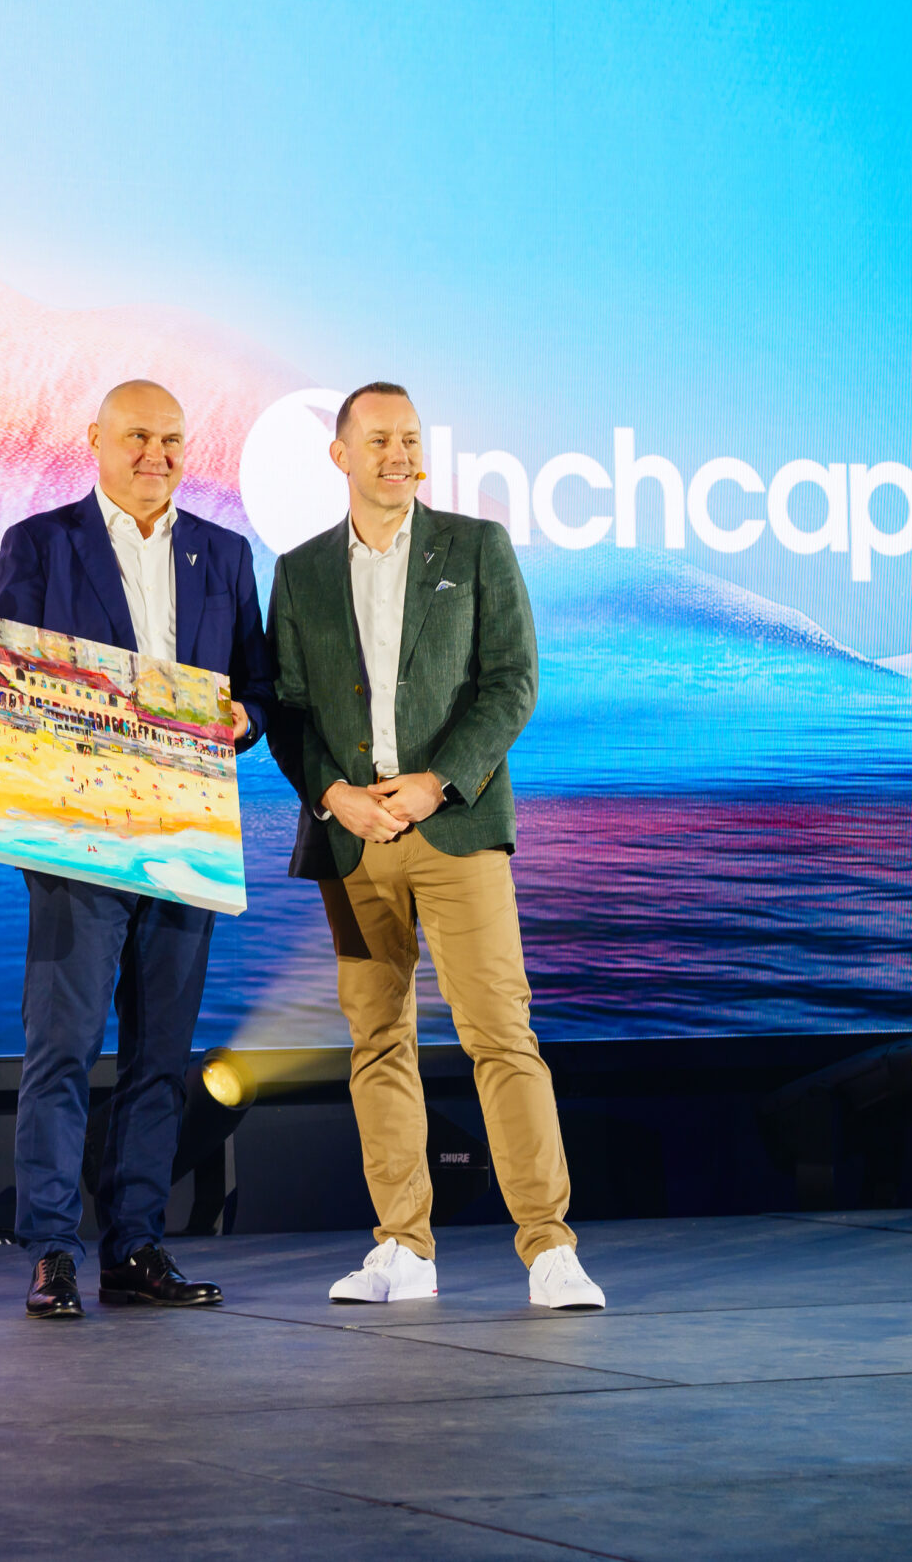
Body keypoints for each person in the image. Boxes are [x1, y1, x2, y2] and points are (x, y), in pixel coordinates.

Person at [264, 382, 606, 1312]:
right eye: (378, 440)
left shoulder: (478, 547)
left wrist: (437, 779)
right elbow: (285, 709)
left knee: (501, 1034)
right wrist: (335, 793)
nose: (398, 455)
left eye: (410, 439)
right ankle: (402, 1249)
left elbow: (513, 682)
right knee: (378, 1042)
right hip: (353, 838)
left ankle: (549, 1246)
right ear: (340, 455)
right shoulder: (297, 572)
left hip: (454, 828)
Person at [0, 380, 272, 1320]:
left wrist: (245, 717)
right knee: (60, 1050)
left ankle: (137, 1245)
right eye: (139, 436)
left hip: (186, 834)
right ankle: (53, 1250)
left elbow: (259, 686)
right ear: (96, 442)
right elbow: (6, 683)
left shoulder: (225, 554)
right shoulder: (39, 543)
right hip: (74, 837)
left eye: (173, 439)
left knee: (161, 1055)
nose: (157, 453)